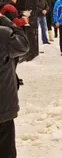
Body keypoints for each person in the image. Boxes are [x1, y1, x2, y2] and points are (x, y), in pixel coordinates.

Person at [0, 13, 30, 157]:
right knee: (5, 149)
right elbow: (24, 45)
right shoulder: (3, 35)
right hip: (2, 106)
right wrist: (7, 21)